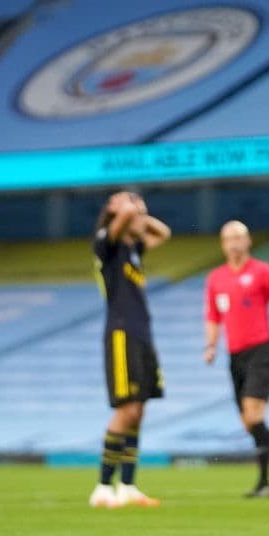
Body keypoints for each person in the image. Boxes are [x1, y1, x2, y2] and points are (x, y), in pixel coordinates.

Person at [204, 220, 269, 497]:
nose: (234, 242)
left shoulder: (264, 273)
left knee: (253, 414)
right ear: (223, 244)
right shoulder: (216, 279)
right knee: (249, 422)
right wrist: (211, 345)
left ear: (248, 241)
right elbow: (213, 316)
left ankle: (264, 483)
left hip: (261, 352)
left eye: (239, 237)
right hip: (234, 356)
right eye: (229, 238)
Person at [89, 192, 171, 508]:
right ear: (111, 210)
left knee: (139, 411)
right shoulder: (105, 245)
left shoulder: (133, 249)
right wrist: (129, 208)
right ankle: (102, 486)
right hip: (121, 334)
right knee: (125, 410)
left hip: (142, 334)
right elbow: (122, 218)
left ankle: (127, 485)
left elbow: (163, 233)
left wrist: (141, 213)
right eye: (129, 206)